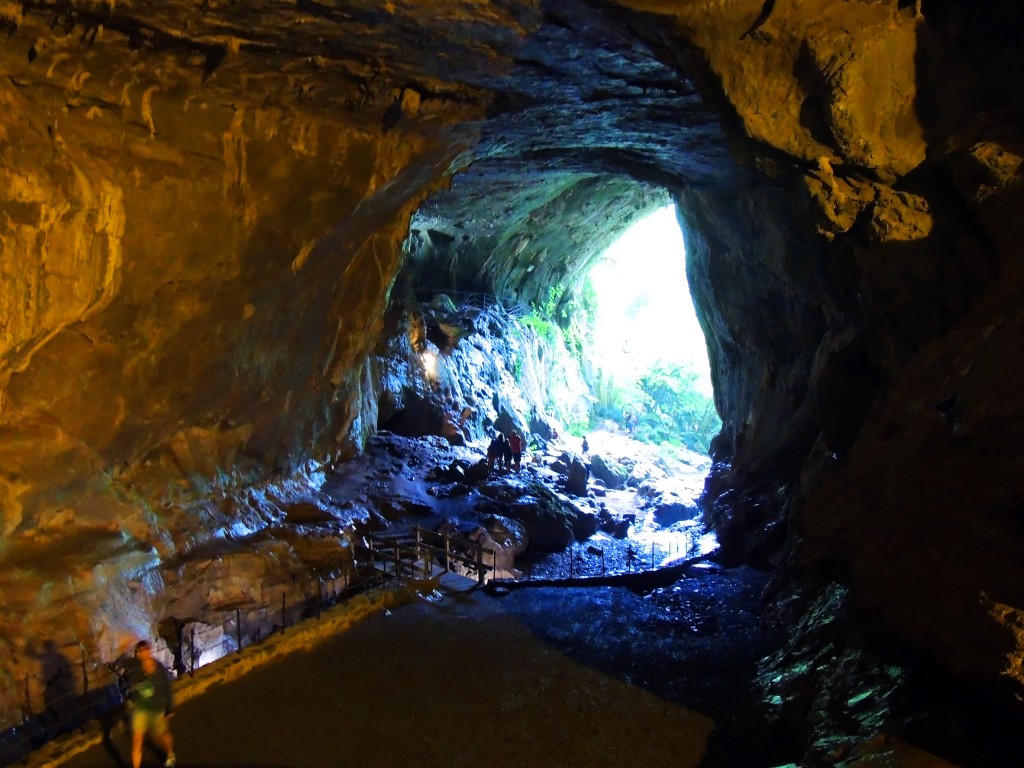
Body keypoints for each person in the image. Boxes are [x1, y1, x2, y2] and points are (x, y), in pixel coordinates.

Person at [127, 640, 176, 768]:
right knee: (137, 740)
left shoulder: (159, 669)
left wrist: (169, 709)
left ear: (149, 651)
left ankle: (170, 754)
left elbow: (167, 688)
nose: (143, 654)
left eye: (145, 651)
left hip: (156, 708)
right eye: (140, 652)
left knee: (161, 736)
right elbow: (130, 685)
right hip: (140, 709)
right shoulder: (135, 669)